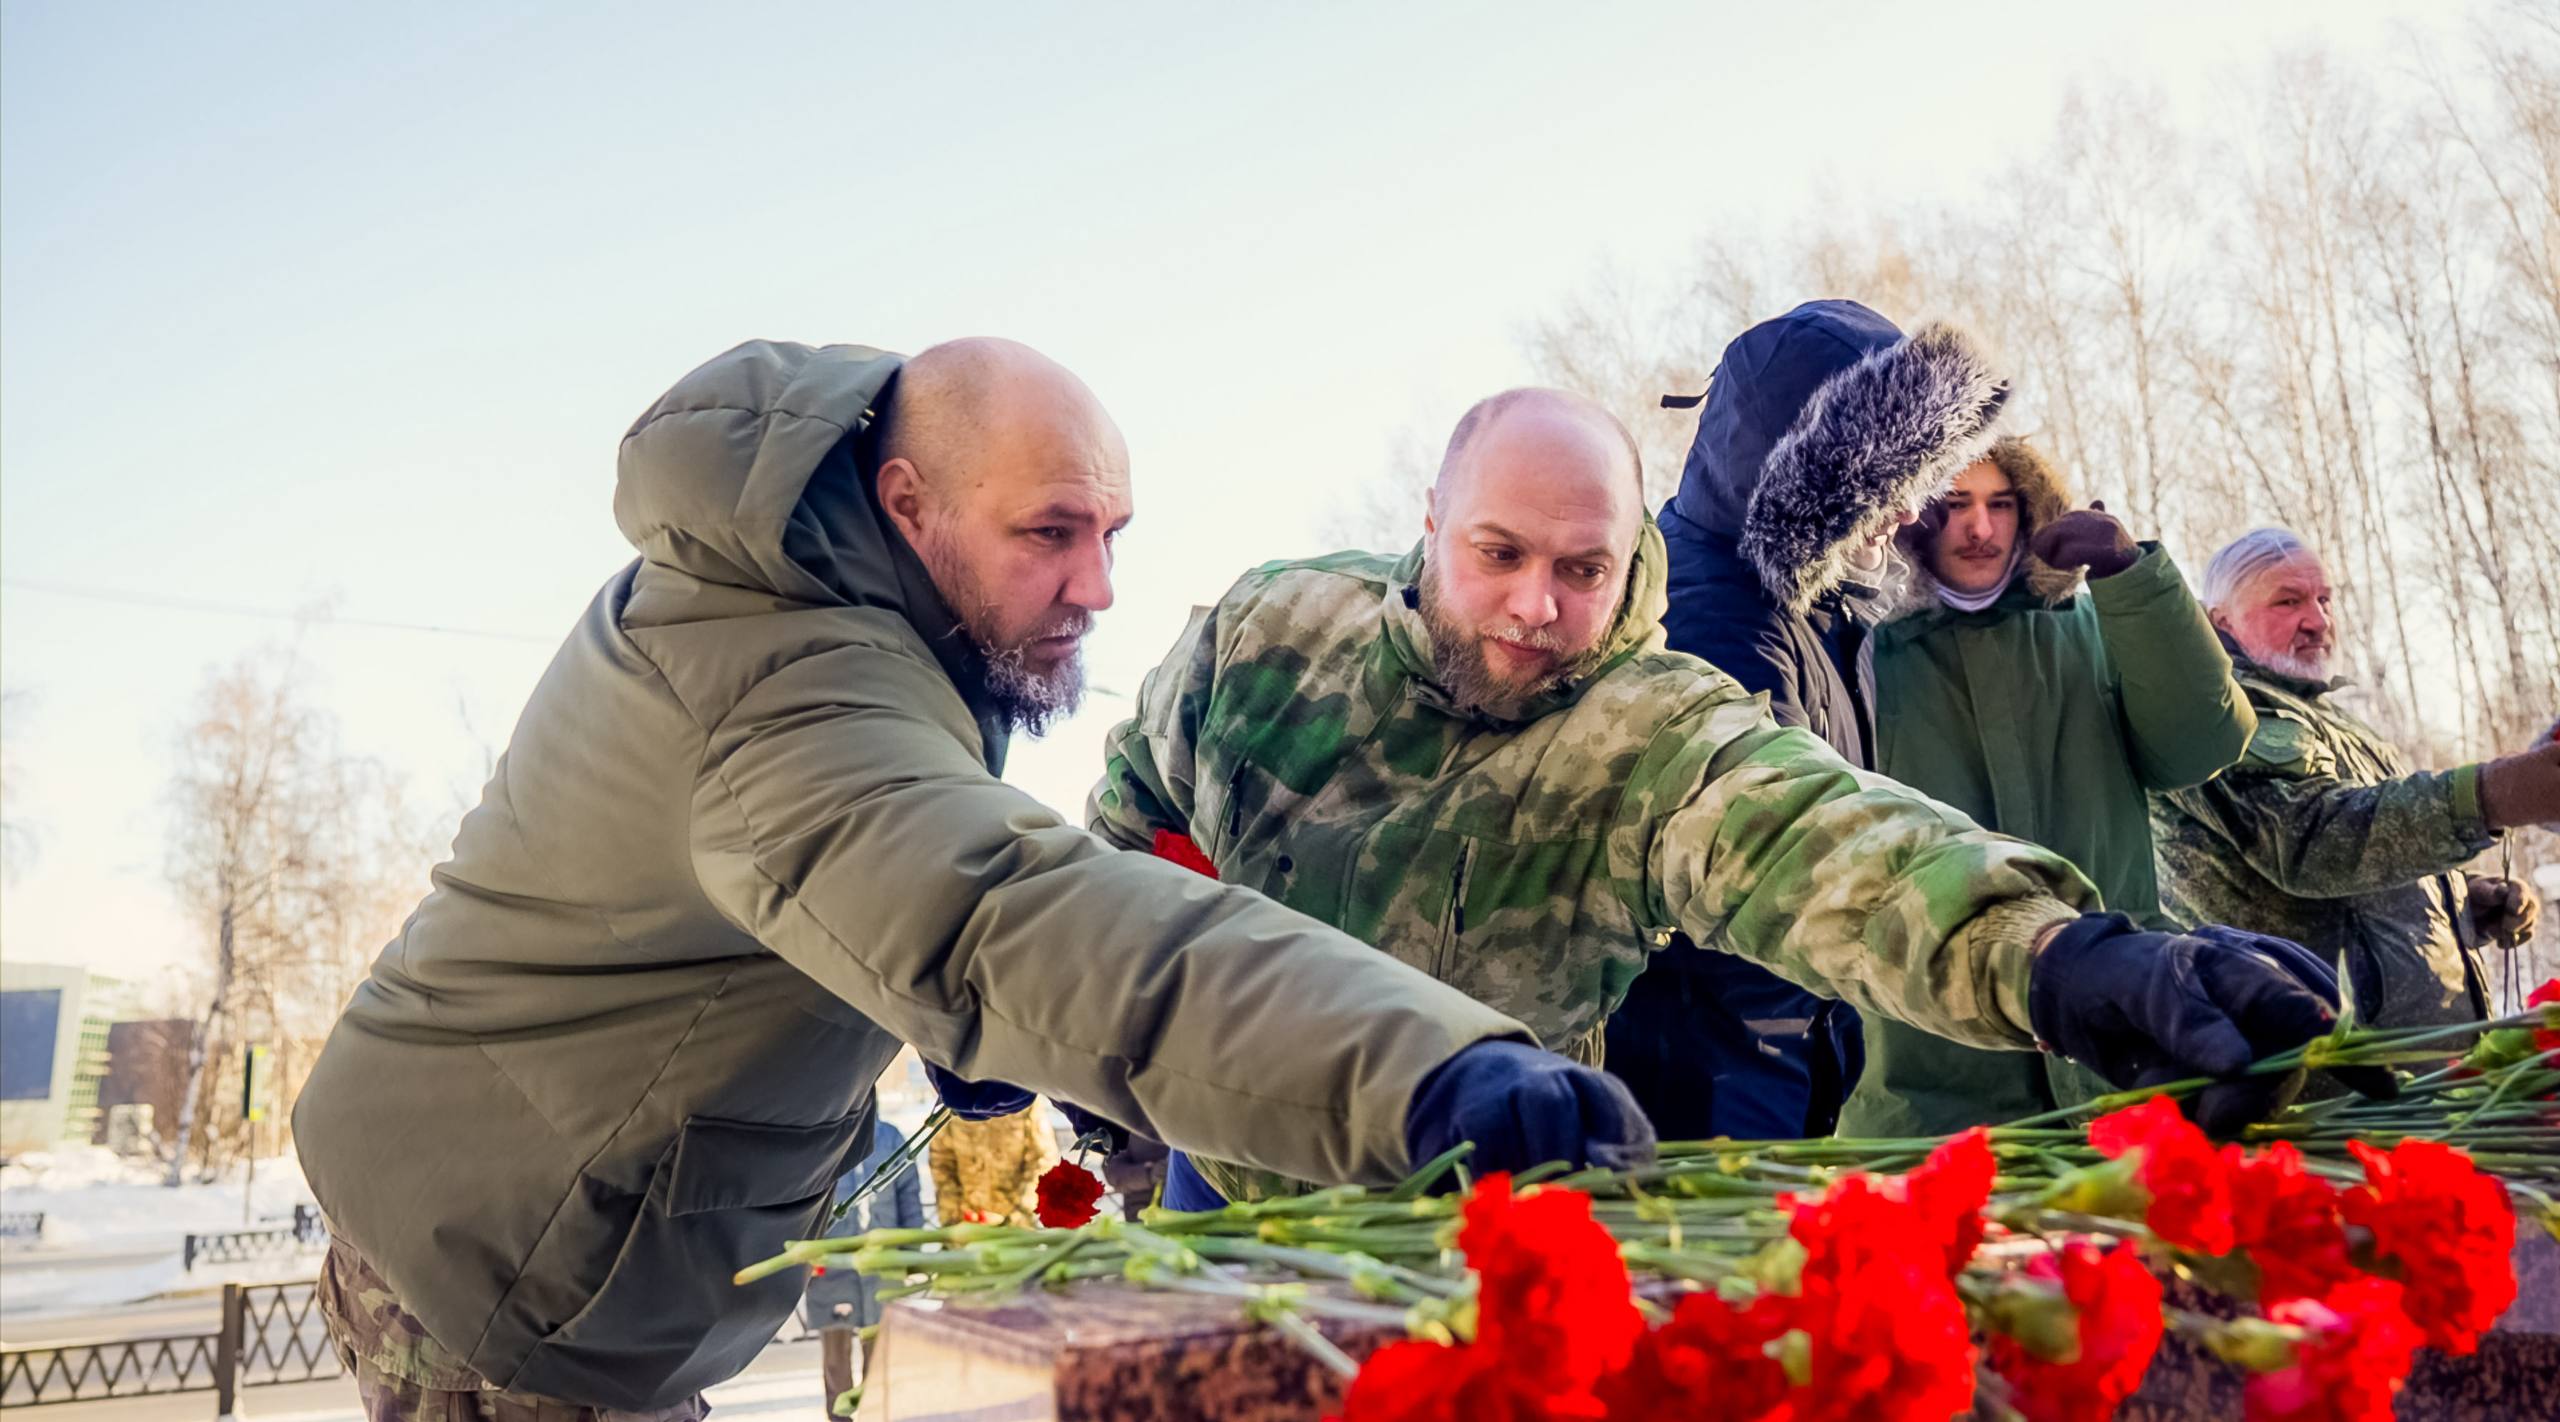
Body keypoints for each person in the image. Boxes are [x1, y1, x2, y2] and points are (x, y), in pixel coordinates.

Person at [294, 338, 1655, 1419]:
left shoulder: (835, 596)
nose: (1097, 584)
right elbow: (1008, 913)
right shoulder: (787, 691)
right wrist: (1427, 1073)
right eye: (1051, 533)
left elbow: (842, 888)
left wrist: (937, 1023)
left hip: (544, 1217)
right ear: (909, 501)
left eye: (1112, 532)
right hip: (508, 1270)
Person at [1088, 384, 2369, 1207]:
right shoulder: (1268, 635)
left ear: (1628, 556)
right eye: (1499, 554)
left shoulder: (1643, 726)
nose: (1536, 606)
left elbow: (1826, 847)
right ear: (1430, 521)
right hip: (1229, 1171)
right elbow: (1130, 826)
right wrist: (1105, 1053)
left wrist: (2066, 959)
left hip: (1481, 1194)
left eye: (1581, 569)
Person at [1608, 299, 2005, 1140]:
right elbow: (1787, 867)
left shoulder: (1817, 604)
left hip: (1778, 1051)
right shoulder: (1712, 618)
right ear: (1806, 478)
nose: (1910, 511)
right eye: (1885, 480)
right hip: (1702, 1078)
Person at [1841, 438, 2255, 1135]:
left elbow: (2202, 743)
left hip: (2122, 1051)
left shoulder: (2098, 628)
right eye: (1954, 504)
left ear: (2030, 509)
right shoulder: (1864, 651)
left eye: (2001, 504)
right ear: (1910, 512)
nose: (1980, 528)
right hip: (1931, 1073)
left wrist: (2134, 582)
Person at [2151, 527, 2559, 1029]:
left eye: (2324, 599)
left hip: (2421, 1053)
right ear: (2222, 621)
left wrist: (2455, 900)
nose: (2318, 621)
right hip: (2325, 1058)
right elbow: (2312, 840)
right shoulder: (2215, 714)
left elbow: (2366, 861)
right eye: (2288, 601)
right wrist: (2488, 795)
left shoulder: (2331, 718)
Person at [804, 1116, 923, 1409]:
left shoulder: (891, 1138)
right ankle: (840, 1414)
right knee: (835, 1357)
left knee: (879, 1351)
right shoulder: (820, 1138)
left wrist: (911, 1252)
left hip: (883, 1263)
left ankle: (874, 1412)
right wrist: (806, 1256)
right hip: (832, 1265)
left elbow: (908, 1196)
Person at [926, 1102, 1059, 1228]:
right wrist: (953, 1216)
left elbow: (1043, 1160)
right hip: (967, 1223)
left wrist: (1021, 1215)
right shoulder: (955, 1099)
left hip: (1017, 1227)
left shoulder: (1025, 1099)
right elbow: (941, 1161)